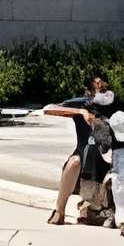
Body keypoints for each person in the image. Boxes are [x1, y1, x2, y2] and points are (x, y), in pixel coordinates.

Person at [39, 74, 118, 226]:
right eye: (97, 87)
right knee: (74, 162)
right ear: (89, 90)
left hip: (103, 168)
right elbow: (48, 109)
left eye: (104, 87)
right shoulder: (82, 104)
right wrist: (80, 112)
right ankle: (59, 210)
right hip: (82, 167)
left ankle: (99, 210)